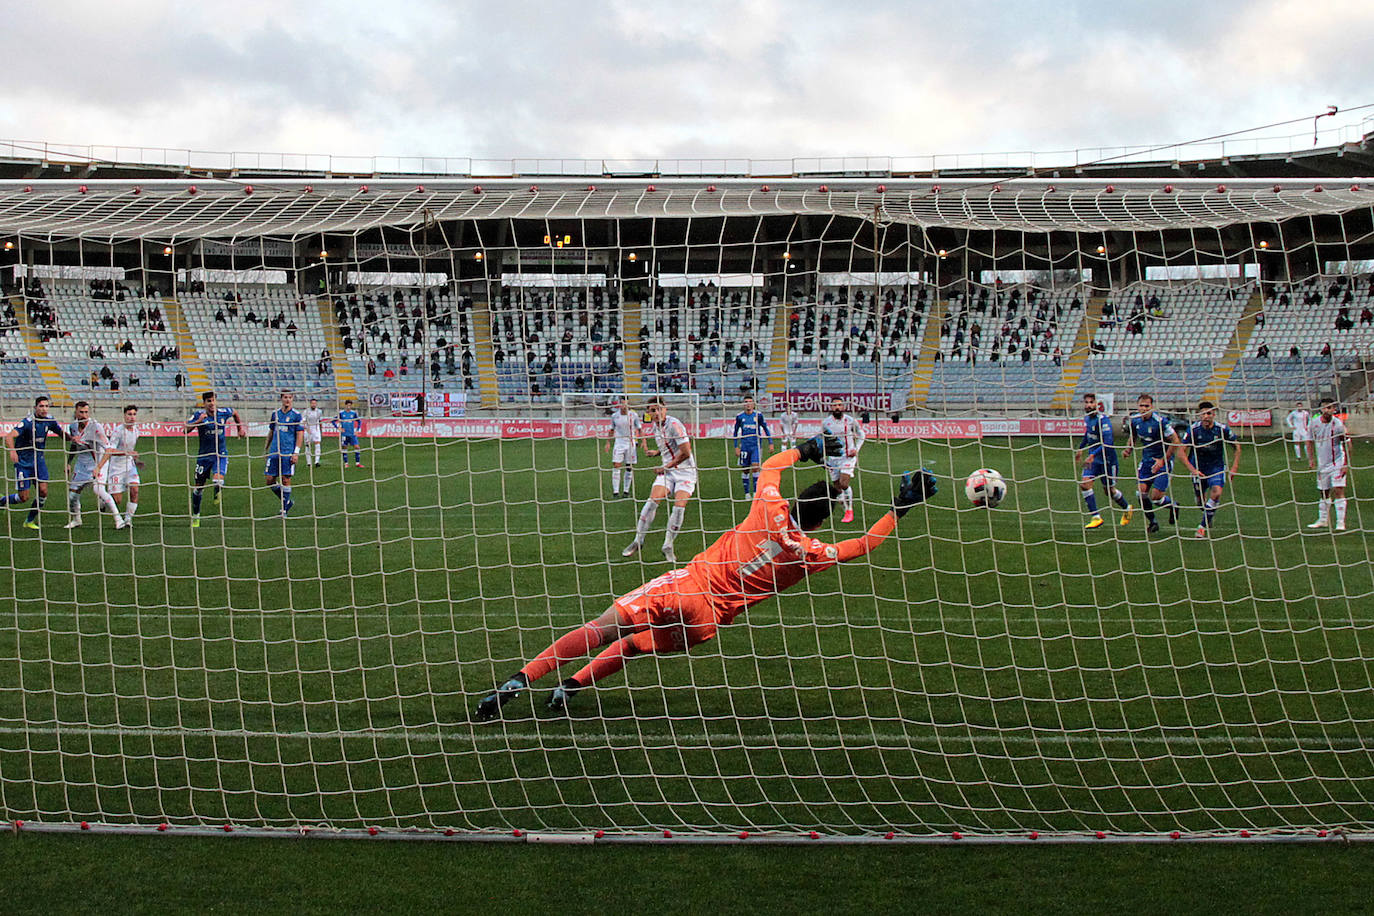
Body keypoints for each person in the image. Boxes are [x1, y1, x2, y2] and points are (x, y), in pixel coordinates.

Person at [475, 440, 938, 720]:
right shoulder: (814, 553)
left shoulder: (767, 507)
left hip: (686, 586)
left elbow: (773, 466)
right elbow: (865, 545)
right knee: (637, 646)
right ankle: (571, 687)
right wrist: (901, 506)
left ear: (796, 502)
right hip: (707, 624)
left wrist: (809, 449)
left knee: (602, 628)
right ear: (818, 524)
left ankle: (519, 680)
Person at [621, 397, 695, 563]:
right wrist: (657, 453)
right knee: (652, 501)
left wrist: (665, 467)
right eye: (652, 410)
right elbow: (671, 448)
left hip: (685, 473)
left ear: (665, 409)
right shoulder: (656, 427)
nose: (656, 413)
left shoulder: (674, 425)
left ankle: (668, 545)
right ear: (648, 413)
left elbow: (686, 453)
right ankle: (638, 541)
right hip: (668, 472)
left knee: (679, 507)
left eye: (658, 409)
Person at [1173, 400, 1242, 538]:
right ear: (1199, 415)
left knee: (1216, 493)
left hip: (1216, 467)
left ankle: (1202, 527)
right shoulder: (1193, 430)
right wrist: (1192, 470)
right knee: (1201, 502)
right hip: (1198, 468)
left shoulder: (1222, 429)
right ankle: (1207, 514)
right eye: (1203, 414)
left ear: (1214, 414)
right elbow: (1181, 452)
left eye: (1208, 413)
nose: (1206, 416)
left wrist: (1234, 467)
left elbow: (1237, 447)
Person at [3, 395, 71, 529]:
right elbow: (9, 436)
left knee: (43, 491)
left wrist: (72, 438)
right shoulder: (28, 422)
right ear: (35, 407)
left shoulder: (49, 421)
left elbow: (60, 433)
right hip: (23, 463)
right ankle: (2, 501)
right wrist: (12, 451)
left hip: (39, 461)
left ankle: (29, 521)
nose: (44, 409)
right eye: (41, 406)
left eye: (46, 406)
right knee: (23, 498)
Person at [1121, 393, 1182, 534]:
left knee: (1156, 497)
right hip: (1146, 462)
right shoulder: (1135, 420)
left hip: (1163, 463)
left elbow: (1176, 441)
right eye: (1141, 406)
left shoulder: (1161, 422)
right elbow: (1134, 435)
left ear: (1152, 407)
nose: (1143, 408)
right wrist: (1128, 449)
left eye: (1146, 406)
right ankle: (1153, 522)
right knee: (1140, 494)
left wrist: (1163, 460)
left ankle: (1172, 506)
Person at [186, 391, 243, 528]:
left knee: (218, 480)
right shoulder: (198, 415)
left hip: (220, 454)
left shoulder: (223, 412)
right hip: (204, 457)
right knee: (198, 489)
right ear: (204, 403)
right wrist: (199, 422)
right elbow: (185, 430)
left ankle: (217, 490)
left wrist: (239, 428)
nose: (211, 403)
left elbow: (235, 413)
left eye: (213, 400)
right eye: (208, 401)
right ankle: (196, 517)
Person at [1076, 392, 1131, 529]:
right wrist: (1081, 448)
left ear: (1097, 404)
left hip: (1107, 460)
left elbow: (1108, 442)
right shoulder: (1088, 419)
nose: (1088, 405)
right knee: (1084, 484)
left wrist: (1093, 454)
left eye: (1091, 402)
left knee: (1109, 491)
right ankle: (1096, 517)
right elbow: (1088, 434)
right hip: (1093, 459)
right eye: (1086, 402)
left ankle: (1127, 507)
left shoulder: (1103, 420)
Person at [94, 404, 142, 530]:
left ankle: (128, 520)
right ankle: (103, 500)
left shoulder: (137, 431)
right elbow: (110, 450)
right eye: (129, 414)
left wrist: (136, 461)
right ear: (124, 416)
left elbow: (131, 450)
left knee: (135, 490)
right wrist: (99, 467)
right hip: (116, 468)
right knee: (117, 500)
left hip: (130, 466)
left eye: (134, 414)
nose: (132, 417)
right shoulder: (118, 431)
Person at [1305, 398, 1350, 532]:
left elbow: (1347, 444)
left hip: (1337, 462)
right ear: (1321, 409)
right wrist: (1311, 459)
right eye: (1325, 407)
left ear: (1334, 410)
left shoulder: (1338, 425)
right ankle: (1323, 520)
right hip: (1322, 464)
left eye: (1330, 408)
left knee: (1338, 490)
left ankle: (1340, 523)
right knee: (1323, 492)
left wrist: (1346, 463)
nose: (1328, 410)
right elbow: (1309, 441)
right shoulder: (1314, 423)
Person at [820, 397, 865, 523]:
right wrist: (823, 457)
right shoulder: (826, 423)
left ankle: (850, 510)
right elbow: (822, 439)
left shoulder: (851, 421)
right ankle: (845, 509)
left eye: (839, 405)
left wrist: (856, 449)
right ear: (831, 407)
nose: (837, 407)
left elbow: (862, 434)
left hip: (847, 456)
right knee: (837, 488)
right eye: (835, 405)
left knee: (844, 483)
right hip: (833, 458)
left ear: (843, 407)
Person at [63, 401, 107, 529]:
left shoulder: (95, 426)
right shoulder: (73, 427)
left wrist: (101, 465)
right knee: (72, 495)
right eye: (81, 412)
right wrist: (68, 463)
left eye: (86, 412)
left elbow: (106, 446)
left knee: (99, 491)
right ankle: (77, 519)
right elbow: (74, 446)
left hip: (95, 463)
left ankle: (107, 504)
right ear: (76, 412)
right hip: (81, 465)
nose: (84, 415)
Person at [264, 391, 304, 518]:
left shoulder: (297, 416)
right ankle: (287, 501)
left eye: (290, 398)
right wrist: (266, 448)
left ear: (292, 399)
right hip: (274, 452)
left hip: (288, 453)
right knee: (269, 480)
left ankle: (284, 509)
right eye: (285, 397)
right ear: (281, 399)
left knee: (286, 479)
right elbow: (271, 431)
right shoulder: (275, 414)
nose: (287, 400)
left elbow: (300, 434)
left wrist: (296, 453)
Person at [732, 395, 774, 497]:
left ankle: (755, 492)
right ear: (743, 404)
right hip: (744, 447)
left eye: (750, 402)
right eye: (746, 402)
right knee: (745, 469)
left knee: (756, 468)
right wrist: (736, 446)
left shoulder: (758, 415)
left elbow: (765, 428)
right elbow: (735, 431)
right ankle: (747, 493)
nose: (748, 404)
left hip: (756, 446)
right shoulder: (740, 416)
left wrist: (771, 443)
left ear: (754, 404)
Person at [604, 399, 638, 499]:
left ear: (628, 404)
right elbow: (611, 430)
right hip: (619, 443)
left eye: (625, 403)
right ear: (619, 404)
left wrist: (643, 442)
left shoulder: (633, 415)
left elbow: (639, 428)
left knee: (629, 467)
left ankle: (626, 491)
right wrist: (608, 443)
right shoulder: (615, 416)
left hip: (630, 444)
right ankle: (615, 492)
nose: (624, 405)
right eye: (622, 403)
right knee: (616, 465)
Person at [334, 400, 363, 467]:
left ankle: (357, 463)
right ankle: (346, 464)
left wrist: (357, 430)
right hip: (344, 434)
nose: (349, 407)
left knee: (357, 447)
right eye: (347, 405)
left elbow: (359, 421)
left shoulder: (353, 413)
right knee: (344, 447)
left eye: (350, 405)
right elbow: (333, 421)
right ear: (345, 405)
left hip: (352, 434)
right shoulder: (341, 413)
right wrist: (338, 428)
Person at [301, 398, 325, 467]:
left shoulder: (319, 411)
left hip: (316, 430)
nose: (313, 405)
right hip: (308, 430)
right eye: (312, 403)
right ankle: (309, 463)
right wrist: (306, 428)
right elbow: (303, 421)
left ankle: (317, 462)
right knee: (308, 445)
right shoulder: (306, 411)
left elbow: (320, 421)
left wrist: (321, 430)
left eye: (315, 403)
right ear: (310, 404)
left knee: (317, 444)